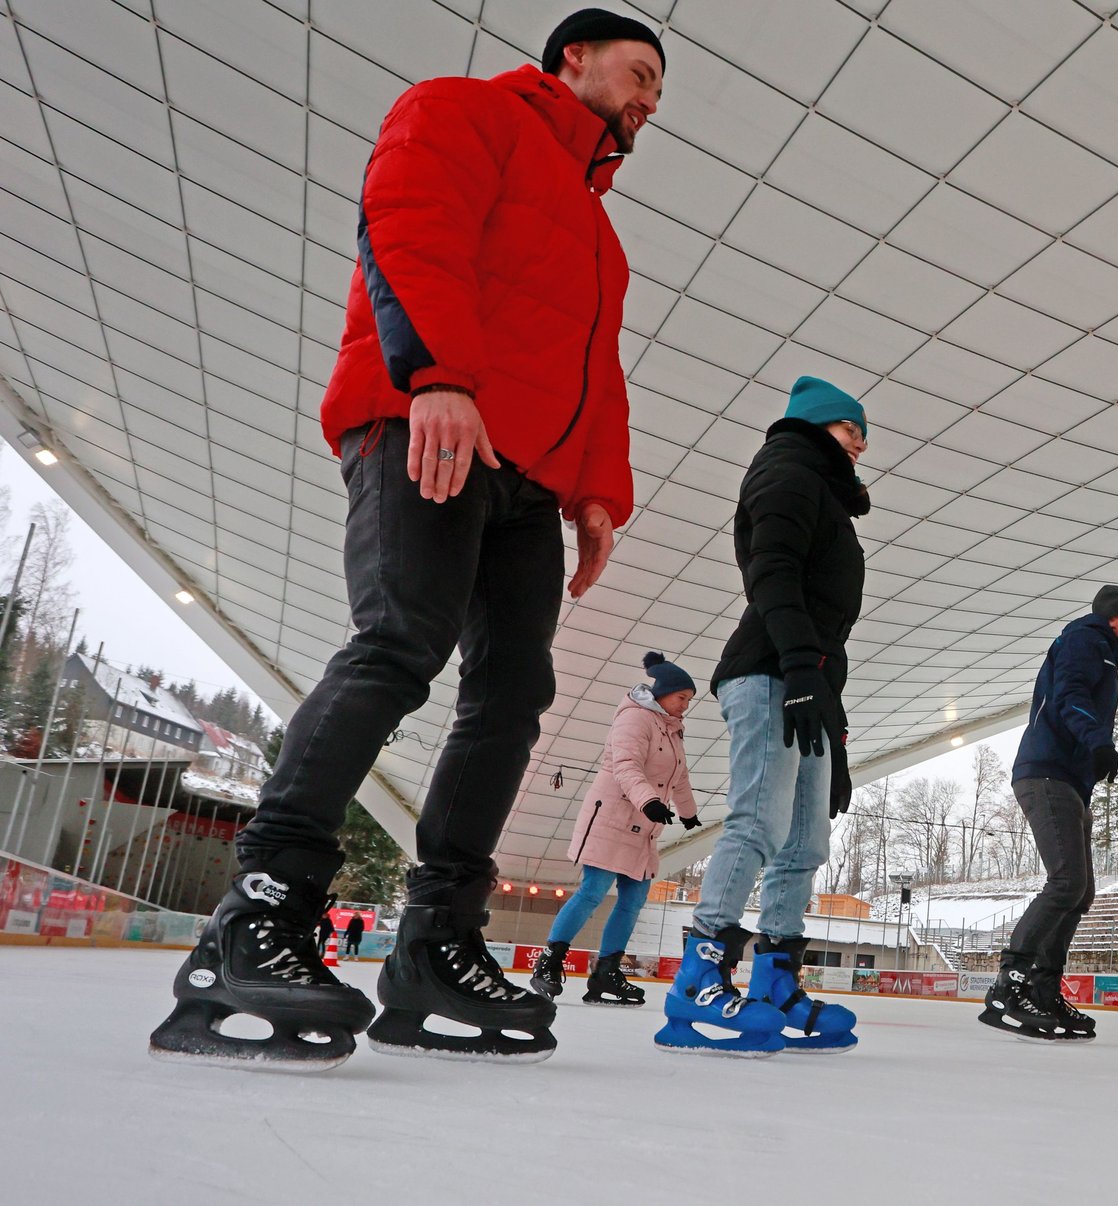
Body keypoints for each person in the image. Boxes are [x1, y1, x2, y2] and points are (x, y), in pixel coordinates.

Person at [149, 9, 661, 1071]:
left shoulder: (599, 234)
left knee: (513, 692)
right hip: (429, 423)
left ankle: (437, 942)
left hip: (529, 479)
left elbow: (596, 374)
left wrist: (596, 495)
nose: (648, 99)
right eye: (639, 72)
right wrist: (436, 375)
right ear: (573, 56)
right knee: (398, 645)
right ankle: (262, 909)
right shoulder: (463, 110)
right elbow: (407, 225)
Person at [655, 379, 871, 1057]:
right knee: (758, 822)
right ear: (814, 425)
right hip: (767, 670)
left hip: (808, 679)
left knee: (807, 841)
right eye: (851, 429)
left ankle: (776, 979)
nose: (861, 445)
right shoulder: (786, 473)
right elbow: (771, 572)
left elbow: (827, 626)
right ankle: (698, 977)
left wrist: (834, 731)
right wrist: (800, 666)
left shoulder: (825, 493)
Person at [978, 586, 1118, 1043]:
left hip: (1069, 780)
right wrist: (1098, 742)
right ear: (1114, 618)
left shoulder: (1101, 651)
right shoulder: (1084, 640)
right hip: (1047, 774)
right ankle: (1010, 982)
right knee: (1067, 881)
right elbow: (1070, 693)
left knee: (1081, 891)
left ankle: (1043, 989)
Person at [531, 652, 701, 1006]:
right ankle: (549, 962)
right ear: (663, 693)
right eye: (682, 697)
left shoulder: (673, 729)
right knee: (593, 891)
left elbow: (679, 775)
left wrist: (688, 813)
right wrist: (649, 801)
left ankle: (606, 973)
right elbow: (626, 765)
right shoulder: (635, 718)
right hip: (612, 817)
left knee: (633, 900)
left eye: (688, 700)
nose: (686, 705)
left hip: (645, 825)